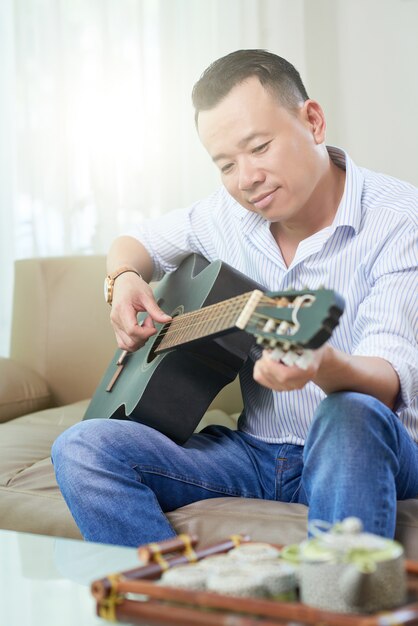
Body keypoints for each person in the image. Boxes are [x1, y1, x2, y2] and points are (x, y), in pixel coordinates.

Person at [52, 49, 418, 547]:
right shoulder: (224, 215)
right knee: (82, 447)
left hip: (366, 445)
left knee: (349, 413)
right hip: (256, 452)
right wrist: (122, 280)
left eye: (260, 147)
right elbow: (135, 243)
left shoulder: (399, 219)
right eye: (226, 164)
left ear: (312, 121)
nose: (246, 179)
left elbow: (387, 385)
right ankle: (178, 598)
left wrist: (320, 365)